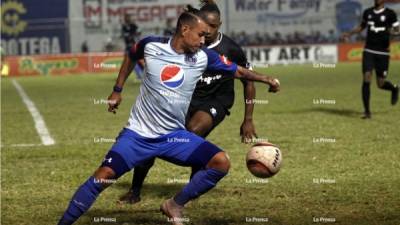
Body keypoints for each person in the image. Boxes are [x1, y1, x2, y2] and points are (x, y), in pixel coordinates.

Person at [57, 7, 279, 225]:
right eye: (200, 34)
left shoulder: (204, 57)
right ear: (184, 29)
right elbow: (131, 55)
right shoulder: (151, 45)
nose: (204, 40)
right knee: (101, 177)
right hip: (138, 135)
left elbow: (239, 71)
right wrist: (117, 89)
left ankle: (175, 204)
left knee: (220, 162)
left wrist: (267, 79)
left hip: (174, 137)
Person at [119, 0, 260, 205]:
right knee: (155, 134)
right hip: (187, 98)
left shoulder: (231, 49)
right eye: (205, 25)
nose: (208, 31)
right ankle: (135, 190)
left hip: (216, 100)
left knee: (194, 132)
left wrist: (248, 119)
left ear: (219, 25)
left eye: (213, 26)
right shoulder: (188, 43)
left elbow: (248, 81)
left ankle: (189, 192)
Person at [342, 0, 399, 119]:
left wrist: (390, 31)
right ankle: (367, 112)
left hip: (383, 52)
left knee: (381, 83)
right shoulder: (367, 12)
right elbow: (362, 26)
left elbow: (397, 30)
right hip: (369, 50)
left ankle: (394, 89)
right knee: (366, 77)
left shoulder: (391, 13)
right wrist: (350, 33)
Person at [121, 13, 143, 80]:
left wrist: (135, 35)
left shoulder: (133, 25)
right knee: (132, 61)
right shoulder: (124, 26)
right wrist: (130, 35)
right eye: (126, 18)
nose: (127, 19)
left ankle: (140, 75)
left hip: (134, 45)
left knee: (134, 61)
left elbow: (139, 31)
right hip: (128, 46)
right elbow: (124, 35)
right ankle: (140, 75)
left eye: (128, 17)